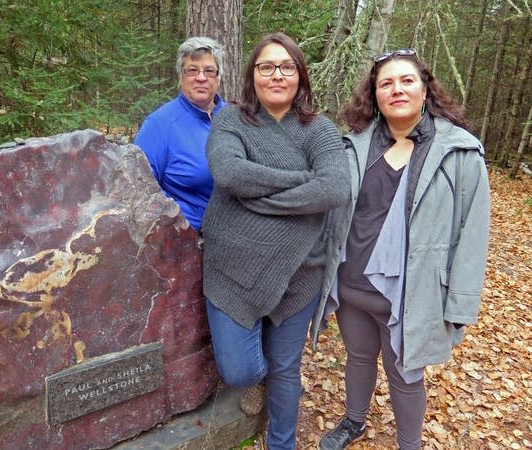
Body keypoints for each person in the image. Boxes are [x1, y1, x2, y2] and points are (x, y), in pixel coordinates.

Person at [312, 49, 491, 450]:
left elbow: (472, 234)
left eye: (407, 80)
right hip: (352, 287)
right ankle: (354, 422)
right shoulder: (352, 147)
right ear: (374, 95)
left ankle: (410, 444)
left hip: (412, 294)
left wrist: (459, 305)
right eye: (386, 83)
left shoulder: (459, 152)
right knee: (358, 359)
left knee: (406, 374)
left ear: (425, 89)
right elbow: (333, 217)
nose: (397, 89)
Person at [201, 32, 350, 450]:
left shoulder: (318, 129)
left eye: (287, 66)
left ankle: (281, 443)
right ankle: (255, 382)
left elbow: (335, 188)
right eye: (266, 66)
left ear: (300, 75)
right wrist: (305, 184)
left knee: (286, 369)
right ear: (253, 75)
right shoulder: (231, 119)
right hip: (233, 268)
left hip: (300, 273)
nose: (277, 75)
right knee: (241, 370)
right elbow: (228, 174)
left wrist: (257, 198)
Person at [134, 36, 226, 230]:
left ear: (218, 77)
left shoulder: (236, 118)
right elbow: (138, 193)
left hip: (237, 237)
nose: (201, 77)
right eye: (192, 70)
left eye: (209, 71)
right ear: (180, 76)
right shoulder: (159, 125)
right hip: (185, 242)